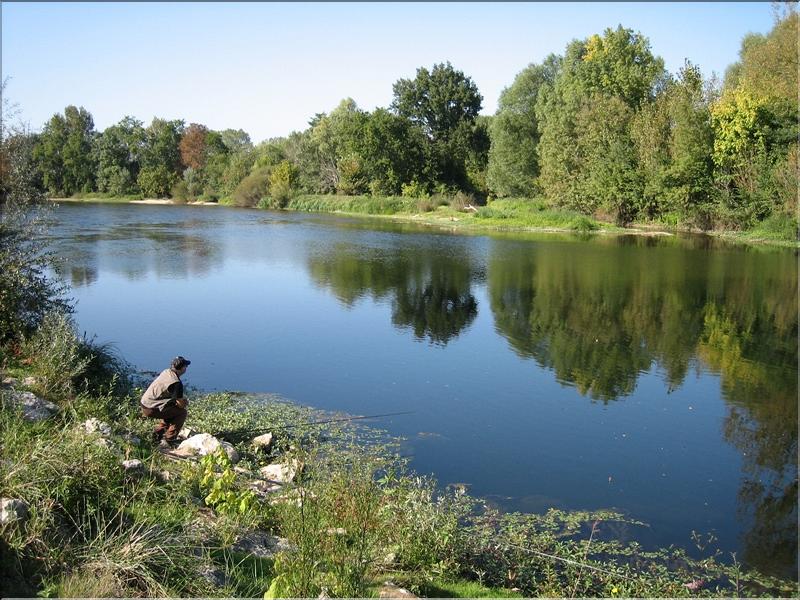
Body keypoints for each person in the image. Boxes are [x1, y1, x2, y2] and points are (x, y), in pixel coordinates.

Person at [140, 356, 191, 447]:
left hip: (145, 403)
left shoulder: (166, 372)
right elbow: (180, 405)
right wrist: (184, 402)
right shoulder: (176, 383)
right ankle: (169, 440)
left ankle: (156, 437)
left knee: (170, 410)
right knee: (181, 413)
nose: (186, 368)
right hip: (151, 408)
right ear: (182, 368)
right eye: (185, 366)